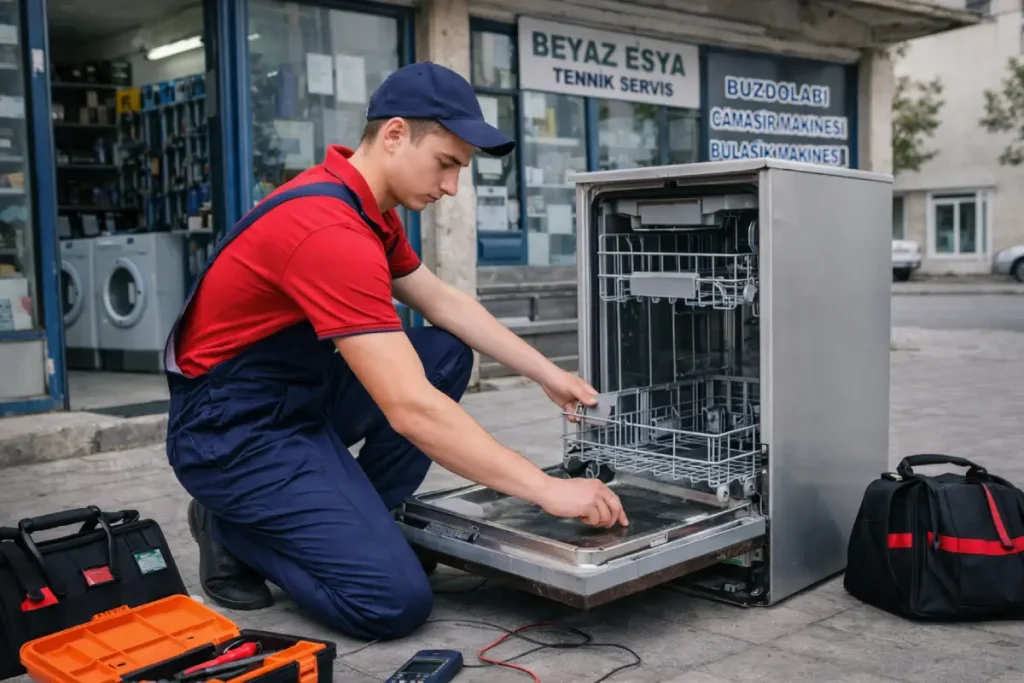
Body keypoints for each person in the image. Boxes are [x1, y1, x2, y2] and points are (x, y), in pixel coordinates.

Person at [163, 61, 628, 642]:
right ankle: (230, 525)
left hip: (291, 398)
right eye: (447, 164)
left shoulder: (368, 210)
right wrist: (548, 489)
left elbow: (443, 303)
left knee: (445, 351)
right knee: (392, 601)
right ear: (394, 135)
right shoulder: (328, 229)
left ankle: (360, 520)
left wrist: (547, 373)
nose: (452, 186)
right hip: (231, 434)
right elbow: (410, 408)